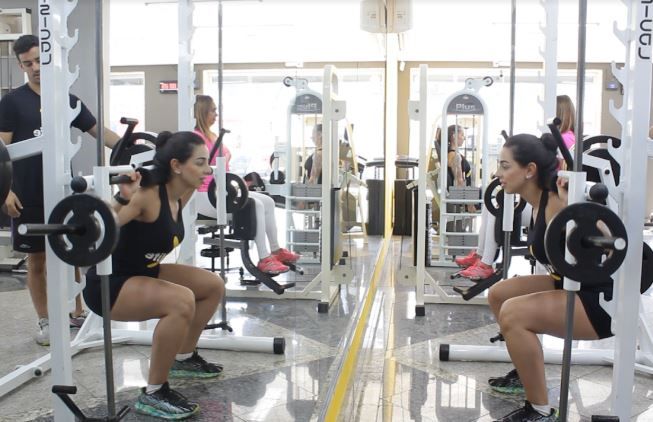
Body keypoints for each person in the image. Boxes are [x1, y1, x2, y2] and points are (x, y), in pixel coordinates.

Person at [83, 130, 225, 420]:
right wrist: (122, 198)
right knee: (181, 300)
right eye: (200, 163)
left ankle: (183, 357)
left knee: (212, 285)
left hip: (144, 271)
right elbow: (103, 227)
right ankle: (155, 391)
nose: (208, 170)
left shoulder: (181, 194)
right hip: (111, 284)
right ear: (176, 165)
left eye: (207, 163)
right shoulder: (147, 196)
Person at [0, 35, 121, 345]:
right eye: (27, 63)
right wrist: (5, 191)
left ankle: (77, 313)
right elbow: (2, 149)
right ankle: (46, 320)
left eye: (39, 61)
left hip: (64, 191)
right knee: (37, 261)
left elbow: (99, 131)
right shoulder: (12, 102)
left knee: (74, 253)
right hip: (26, 194)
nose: (35, 68)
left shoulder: (67, 100)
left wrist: (131, 147)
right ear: (21, 66)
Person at [486, 133, 616, 422]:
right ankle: (525, 373)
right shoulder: (536, 201)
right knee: (499, 294)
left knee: (514, 314)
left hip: (600, 302)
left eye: (505, 166)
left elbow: (610, 239)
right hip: (568, 282)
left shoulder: (556, 201)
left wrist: (572, 208)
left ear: (529, 170)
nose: (498, 174)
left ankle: (540, 410)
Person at [455, 95, 576, 280]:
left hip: (551, 195)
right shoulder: (558, 139)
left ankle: (486, 263)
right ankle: (481, 255)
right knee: (492, 206)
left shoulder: (565, 139)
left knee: (500, 208)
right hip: (541, 200)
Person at [192, 95, 299, 275]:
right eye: (212, 111)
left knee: (267, 201)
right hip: (205, 195)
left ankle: (275, 250)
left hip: (222, 192)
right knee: (254, 204)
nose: (216, 115)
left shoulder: (212, 135)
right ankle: (264, 258)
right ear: (202, 112)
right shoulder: (196, 138)